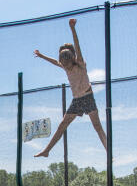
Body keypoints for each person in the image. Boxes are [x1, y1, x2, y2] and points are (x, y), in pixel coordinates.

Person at [33, 18, 107, 157]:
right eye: (63, 64)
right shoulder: (65, 66)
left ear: (72, 59)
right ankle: (47, 150)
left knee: (97, 126)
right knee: (62, 125)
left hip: (87, 96)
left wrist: (72, 28)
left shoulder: (79, 63)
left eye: (66, 64)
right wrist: (42, 56)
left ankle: (109, 152)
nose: (65, 67)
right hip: (77, 100)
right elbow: (55, 62)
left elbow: (78, 47)